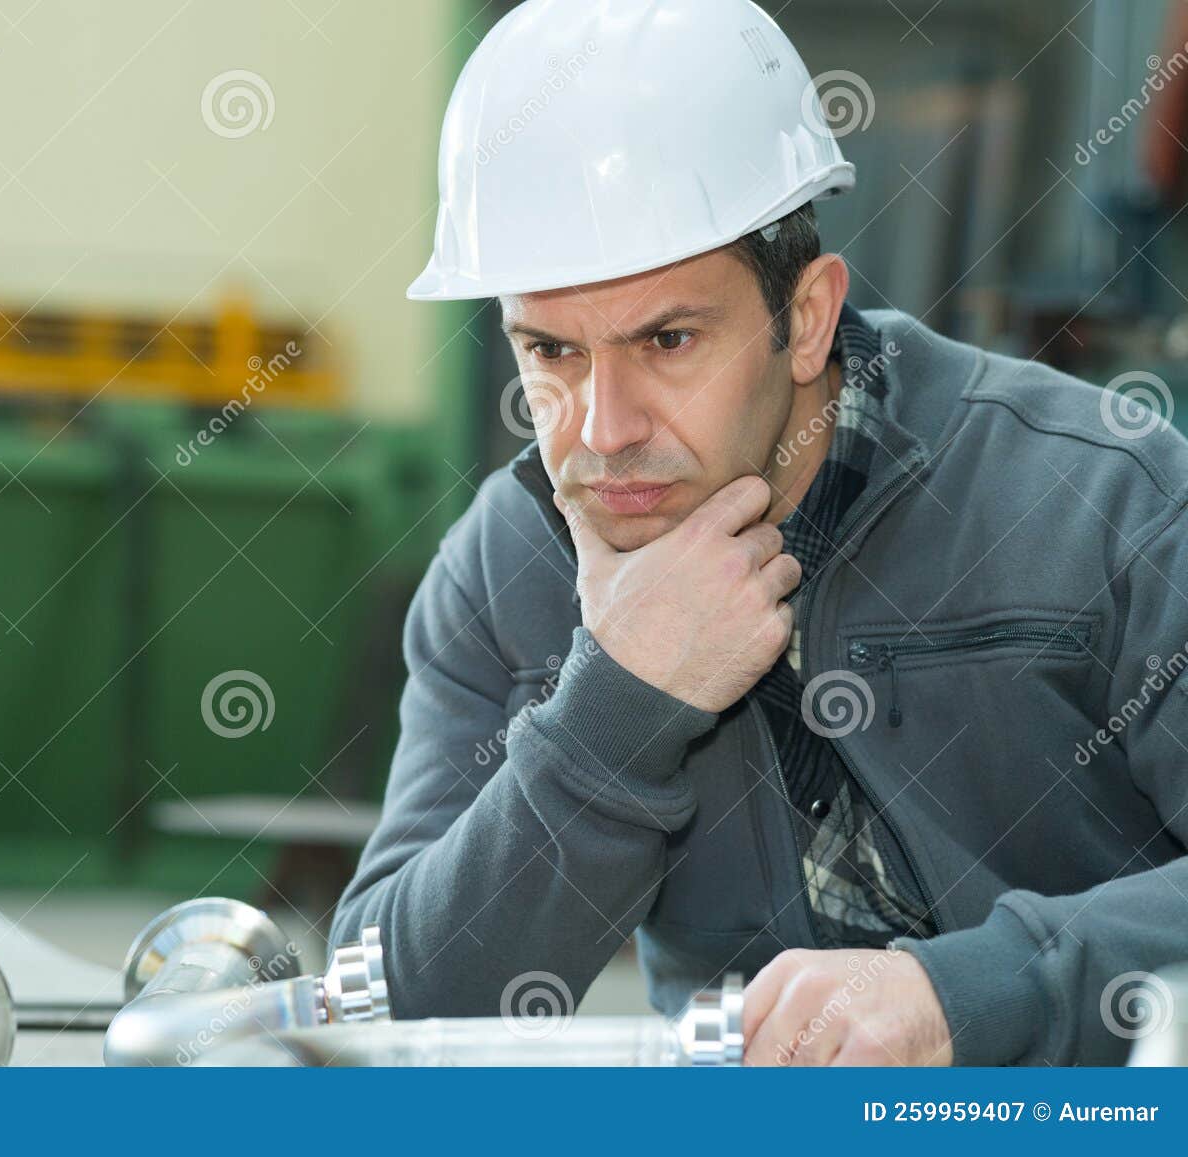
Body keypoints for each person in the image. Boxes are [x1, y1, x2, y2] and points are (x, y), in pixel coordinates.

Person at [331, 0, 1188, 1065]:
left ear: (810, 317)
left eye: (669, 338)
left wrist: (967, 995)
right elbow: (377, 1011)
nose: (602, 430)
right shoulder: (506, 571)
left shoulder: (1095, 498)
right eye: (549, 351)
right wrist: (616, 703)